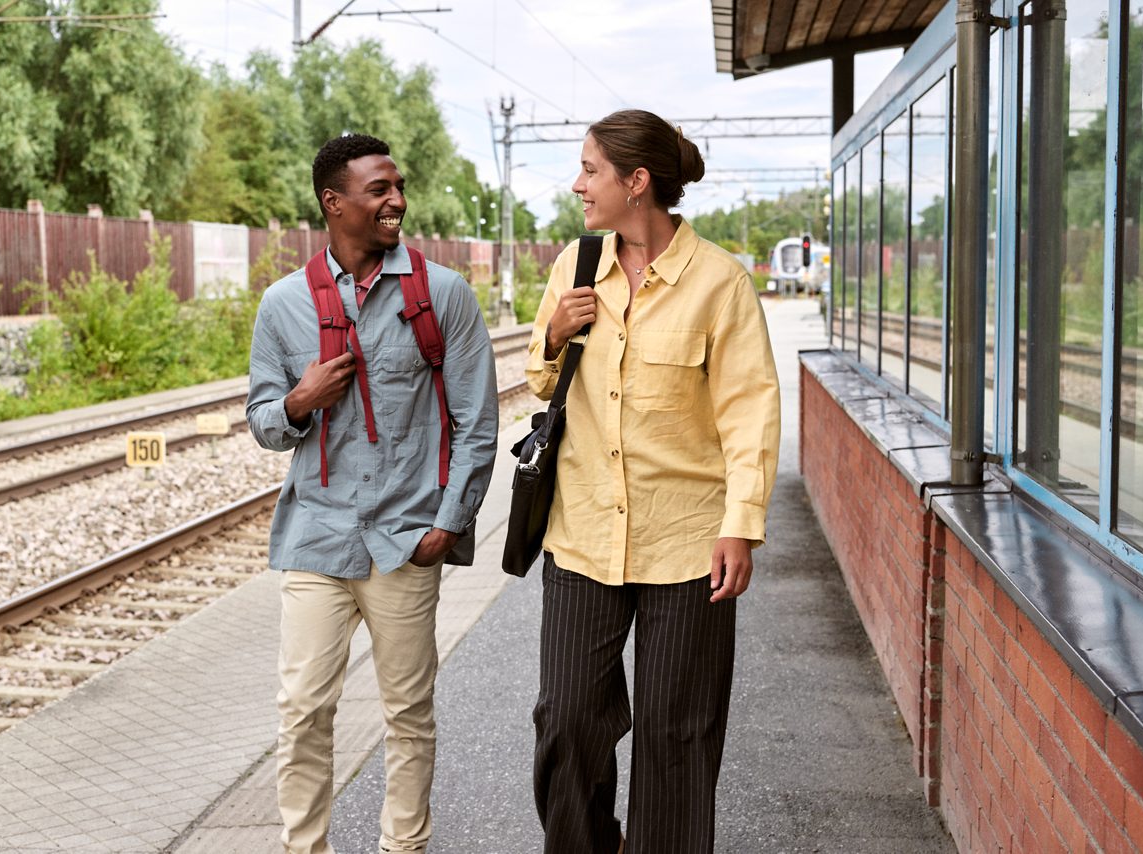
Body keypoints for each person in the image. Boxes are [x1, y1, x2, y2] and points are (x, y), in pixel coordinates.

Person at [525, 109, 781, 853]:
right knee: (567, 722)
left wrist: (741, 523)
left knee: (678, 736)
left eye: (591, 170)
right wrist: (553, 336)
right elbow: (543, 384)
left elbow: (750, 413)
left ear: (637, 183)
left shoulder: (720, 284)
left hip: (688, 544)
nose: (578, 185)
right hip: (583, 537)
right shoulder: (574, 268)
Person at [246, 133, 498, 854]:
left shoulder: (441, 294)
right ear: (335, 202)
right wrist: (299, 400)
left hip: (405, 540)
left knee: (408, 713)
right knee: (301, 711)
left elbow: (476, 422)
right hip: (317, 539)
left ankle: (403, 848)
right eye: (379, 189)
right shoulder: (284, 304)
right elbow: (264, 424)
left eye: (397, 187)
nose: (397, 201)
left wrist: (447, 524)